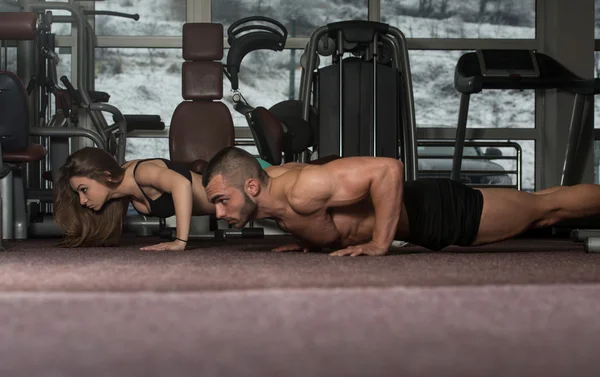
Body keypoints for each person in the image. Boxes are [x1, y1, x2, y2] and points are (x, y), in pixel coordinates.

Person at [202, 146, 600, 256]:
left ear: (251, 188)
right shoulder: (275, 198)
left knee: (546, 209)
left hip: (438, 212)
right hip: (429, 220)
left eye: (222, 200)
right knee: (545, 202)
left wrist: (380, 244)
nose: (219, 214)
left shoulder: (301, 188)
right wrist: (308, 241)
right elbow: (326, 222)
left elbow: (388, 169)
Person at [54, 146, 216, 250]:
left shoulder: (140, 172)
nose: (82, 200)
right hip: (219, 208)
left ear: (106, 177)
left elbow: (182, 184)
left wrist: (180, 241)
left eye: (84, 189)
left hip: (233, 195)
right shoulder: (126, 193)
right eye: (79, 193)